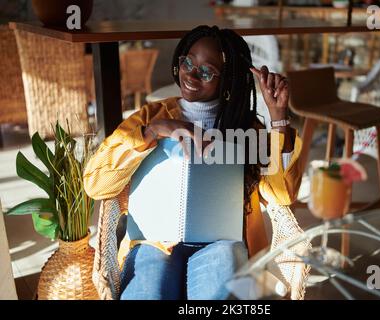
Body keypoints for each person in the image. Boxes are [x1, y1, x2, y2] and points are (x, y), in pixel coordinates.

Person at [83, 25, 303, 300]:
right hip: (155, 242)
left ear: (227, 81)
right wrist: (152, 131)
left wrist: (278, 116)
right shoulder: (151, 117)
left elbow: (282, 195)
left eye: (207, 71)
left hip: (221, 244)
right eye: (187, 62)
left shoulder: (246, 128)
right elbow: (95, 184)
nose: (191, 74)